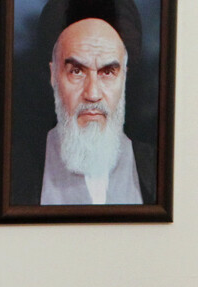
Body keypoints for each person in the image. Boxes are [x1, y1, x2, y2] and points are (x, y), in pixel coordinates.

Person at [17, 0, 156, 206]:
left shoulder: (155, 168)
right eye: (76, 71)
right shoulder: (16, 171)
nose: (92, 94)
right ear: (53, 75)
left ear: (124, 78)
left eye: (107, 72)